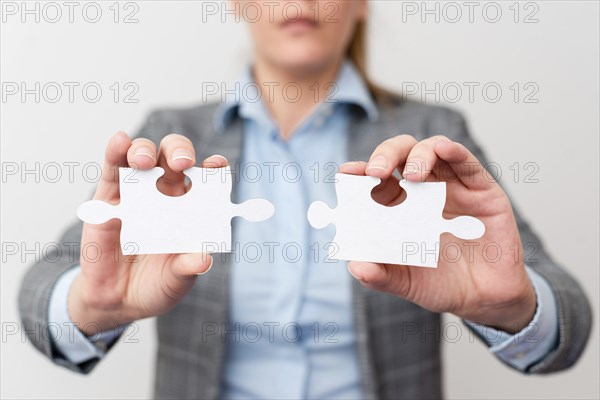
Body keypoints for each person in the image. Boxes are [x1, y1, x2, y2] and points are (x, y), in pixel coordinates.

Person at [19, 1, 591, 399]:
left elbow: (567, 322)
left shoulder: (432, 134)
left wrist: (510, 308)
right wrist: (90, 307)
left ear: (360, 3)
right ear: (238, 1)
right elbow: (41, 294)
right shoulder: (173, 136)